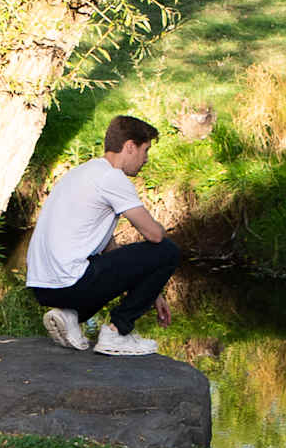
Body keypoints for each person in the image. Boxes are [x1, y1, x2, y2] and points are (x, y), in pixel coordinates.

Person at [22, 114, 176, 356]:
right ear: (130, 146)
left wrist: (152, 292)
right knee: (167, 250)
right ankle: (118, 333)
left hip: (43, 287)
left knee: (102, 263)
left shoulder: (82, 172)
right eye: (145, 150)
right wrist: (161, 237)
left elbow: (110, 250)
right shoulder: (112, 178)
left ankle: (69, 316)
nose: (146, 159)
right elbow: (154, 235)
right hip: (69, 283)